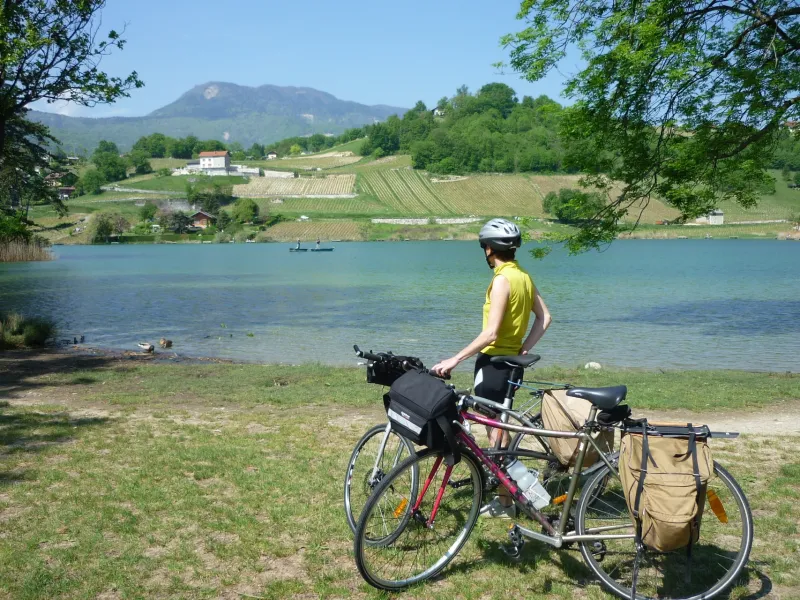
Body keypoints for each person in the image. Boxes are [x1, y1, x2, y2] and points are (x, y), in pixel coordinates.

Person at [431, 218, 552, 518]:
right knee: (500, 427)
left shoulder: (501, 280)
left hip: (493, 363)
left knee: (493, 433)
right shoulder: (523, 275)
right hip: (513, 363)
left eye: (484, 246)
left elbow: (491, 333)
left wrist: (454, 359)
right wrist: (524, 349)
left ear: (489, 249)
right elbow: (545, 318)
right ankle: (506, 496)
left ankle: (506, 500)